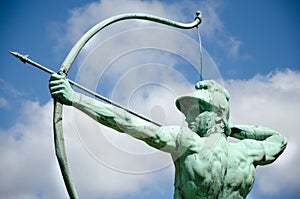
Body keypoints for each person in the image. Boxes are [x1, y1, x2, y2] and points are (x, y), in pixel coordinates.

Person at [49, 73, 287, 199]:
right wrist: (230, 128)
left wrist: (75, 98)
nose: (187, 117)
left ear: (214, 113)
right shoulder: (247, 152)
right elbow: (278, 140)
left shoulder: (187, 142)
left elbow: (127, 122)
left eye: (195, 110)